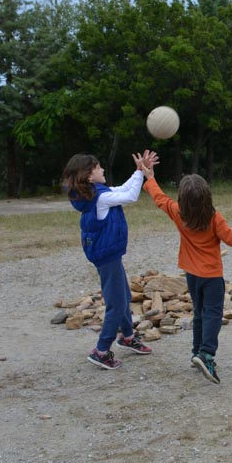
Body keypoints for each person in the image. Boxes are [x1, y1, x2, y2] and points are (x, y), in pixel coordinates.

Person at [143, 167, 232, 384]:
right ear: (207, 197)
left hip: (192, 275)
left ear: (182, 199)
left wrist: (150, 178)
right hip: (212, 276)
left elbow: (160, 199)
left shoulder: (178, 212)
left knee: (199, 313)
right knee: (212, 315)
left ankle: (196, 351)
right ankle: (206, 354)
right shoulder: (214, 218)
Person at [63, 150, 156, 370]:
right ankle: (101, 351)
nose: (102, 169)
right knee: (117, 304)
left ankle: (128, 336)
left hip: (108, 254)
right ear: (89, 176)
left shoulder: (97, 193)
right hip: (107, 257)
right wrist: (141, 174)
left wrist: (138, 171)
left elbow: (123, 189)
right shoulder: (100, 198)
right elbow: (131, 196)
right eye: (98, 167)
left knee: (124, 295)